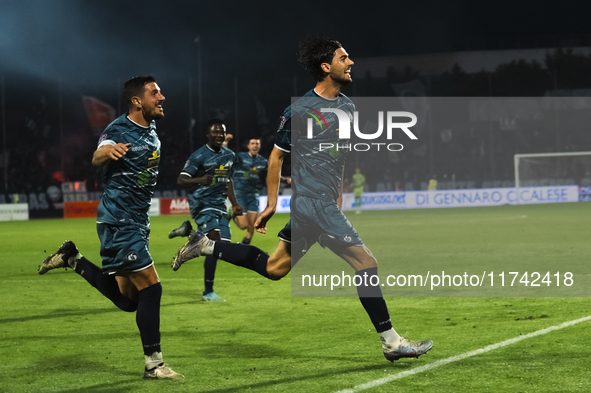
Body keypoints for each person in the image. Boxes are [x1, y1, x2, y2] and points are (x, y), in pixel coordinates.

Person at [171, 36, 433, 362]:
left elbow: (340, 157)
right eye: (344, 57)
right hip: (311, 203)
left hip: (321, 203)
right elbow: (276, 158)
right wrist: (269, 205)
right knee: (366, 263)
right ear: (326, 66)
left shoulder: (348, 108)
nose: (350, 62)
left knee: (274, 267)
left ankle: (207, 245)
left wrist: (338, 195)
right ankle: (391, 342)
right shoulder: (299, 110)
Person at [38, 75, 182, 379]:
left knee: (129, 301)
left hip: (137, 223)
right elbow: (97, 154)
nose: (162, 97)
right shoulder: (118, 129)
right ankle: (154, 364)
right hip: (120, 221)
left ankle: (73, 258)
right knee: (152, 288)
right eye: (155, 93)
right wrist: (108, 151)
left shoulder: (151, 128)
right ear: (136, 101)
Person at [168, 118, 242, 302]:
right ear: (208, 135)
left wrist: (234, 203)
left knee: (220, 248)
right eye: (215, 132)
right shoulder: (198, 156)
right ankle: (208, 292)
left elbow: (228, 180)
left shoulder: (230, 155)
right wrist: (199, 180)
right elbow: (181, 179)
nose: (219, 135)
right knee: (214, 241)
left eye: (222, 132)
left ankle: (189, 233)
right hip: (201, 204)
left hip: (219, 205)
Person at [231, 138, 268, 244]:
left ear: (259, 146)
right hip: (239, 192)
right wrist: (225, 144)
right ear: (248, 146)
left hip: (253, 195)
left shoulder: (263, 161)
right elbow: (225, 156)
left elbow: (272, 174)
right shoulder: (239, 157)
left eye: (257, 143)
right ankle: (232, 214)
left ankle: (244, 247)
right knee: (244, 225)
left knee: (252, 226)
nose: (255, 145)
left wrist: (285, 179)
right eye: (252, 143)